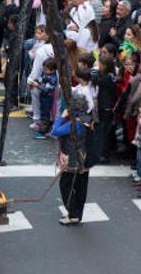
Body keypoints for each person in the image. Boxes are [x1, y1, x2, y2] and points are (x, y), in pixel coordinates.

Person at [52, 94, 91, 226]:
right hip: (85, 157)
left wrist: (61, 117)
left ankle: (73, 214)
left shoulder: (75, 123)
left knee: (66, 186)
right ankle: (77, 214)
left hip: (73, 158)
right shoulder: (87, 118)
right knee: (81, 187)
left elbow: (55, 131)